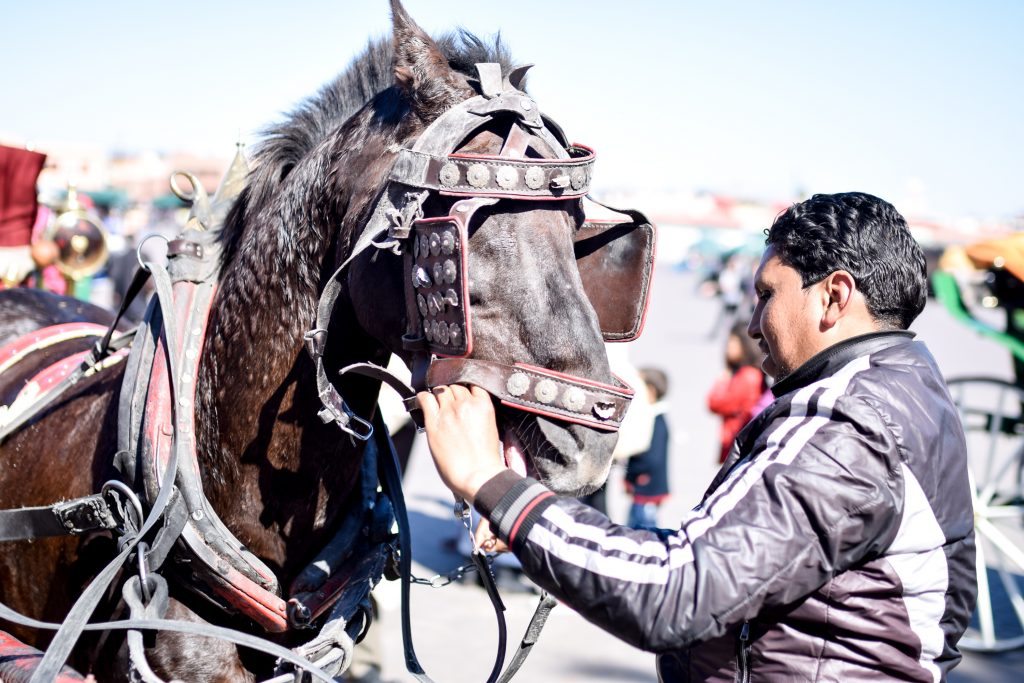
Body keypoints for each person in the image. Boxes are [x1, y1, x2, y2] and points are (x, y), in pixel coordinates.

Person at [417, 192, 975, 682]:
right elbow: (733, 561)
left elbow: (675, 591)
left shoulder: (846, 423)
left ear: (834, 296)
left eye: (767, 295)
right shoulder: (901, 386)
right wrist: (539, 518)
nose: (753, 324)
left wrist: (491, 482)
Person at [706, 321, 769, 463]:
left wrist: (722, 380)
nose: (728, 346)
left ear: (745, 344)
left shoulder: (748, 376)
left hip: (736, 438)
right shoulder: (750, 373)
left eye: (733, 341)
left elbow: (715, 403)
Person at [623, 367, 671, 528]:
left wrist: (634, 474)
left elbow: (652, 458)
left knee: (644, 529)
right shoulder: (650, 417)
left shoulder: (656, 421)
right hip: (644, 487)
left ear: (650, 391)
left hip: (647, 487)